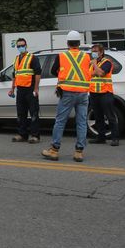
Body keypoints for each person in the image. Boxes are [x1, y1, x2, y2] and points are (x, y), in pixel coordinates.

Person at [42, 30, 91, 162]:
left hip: (67, 93)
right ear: (79, 43)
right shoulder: (86, 56)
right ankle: (79, 152)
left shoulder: (62, 56)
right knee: (81, 122)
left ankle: (54, 150)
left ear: (68, 43)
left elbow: (53, 71)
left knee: (60, 121)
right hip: (83, 94)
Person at [7, 38, 42, 144]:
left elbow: (38, 74)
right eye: (18, 46)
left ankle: (35, 135)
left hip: (30, 89)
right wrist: (12, 89)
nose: (20, 47)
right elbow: (15, 75)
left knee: (33, 113)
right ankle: (22, 134)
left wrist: (36, 88)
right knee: (21, 113)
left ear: (26, 45)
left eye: (22, 45)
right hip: (20, 90)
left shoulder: (32, 58)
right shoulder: (17, 59)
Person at [89, 44, 119, 146]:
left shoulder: (107, 62)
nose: (93, 53)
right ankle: (101, 137)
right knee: (98, 117)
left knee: (110, 116)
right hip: (94, 94)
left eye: (95, 51)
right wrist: (95, 69)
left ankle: (115, 138)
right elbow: (90, 75)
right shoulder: (92, 63)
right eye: (92, 51)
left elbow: (101, 73)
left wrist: (95, 66)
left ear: (101, 52)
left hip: (105, 93)